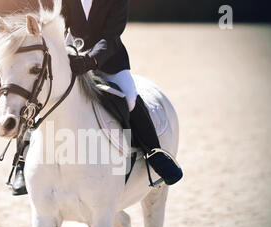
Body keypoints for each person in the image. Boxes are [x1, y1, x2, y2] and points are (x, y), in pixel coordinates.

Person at [11, 0, 183, 195]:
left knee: (130, 97)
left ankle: (155, 154)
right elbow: (60, 24)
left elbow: (111, 36)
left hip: (109, 60)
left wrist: (91, 59)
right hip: (73, 57)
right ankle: (22, 162)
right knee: (39, 97)